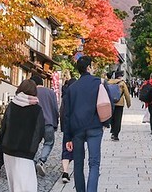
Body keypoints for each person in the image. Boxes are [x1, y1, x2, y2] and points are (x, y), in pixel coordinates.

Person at [62, 56, 105, 192]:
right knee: (94, 163)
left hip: (77, 129)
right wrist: (105, 122)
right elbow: (108, 103)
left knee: (78, 164)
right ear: (88, 68)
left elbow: (66, 114)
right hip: (94, 126)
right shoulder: (98, 83)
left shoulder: (72, 88)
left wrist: (67, 137)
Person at [0, 79, 45, 192]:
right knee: (28, 185)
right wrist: (33, 146)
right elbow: (39, 131)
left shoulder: (12, 106)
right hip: (26, 151)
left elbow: (4, 127)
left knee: (14, 185)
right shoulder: (37, 110)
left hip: (8, 149)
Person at [30, 73, 59, 176]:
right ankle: (41, 161)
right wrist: (55, 122)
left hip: (34, 123)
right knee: (49, 142)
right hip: (48, 122)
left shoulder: (32, 93)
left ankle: (32, 162)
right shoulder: (51, 93)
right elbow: (55, 108)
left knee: (33, 143)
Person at [59, 77, 77, 184]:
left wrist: (63, 127)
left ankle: (65, 172)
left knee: (66, 148)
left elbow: (62, 113)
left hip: (67, 126)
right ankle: (77, 171)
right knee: (77, 148)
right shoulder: (78, 96)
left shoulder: (65, 97)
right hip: (77, 126)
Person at [107, 70, 131, 141]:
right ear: (120, 76)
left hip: (110, 103)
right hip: (119, 103)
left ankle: (112, 132)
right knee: (118, 119)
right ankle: (116, 135)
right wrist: (128, 103)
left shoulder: (108, 82)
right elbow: (126, 94)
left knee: (112, 118)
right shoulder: (122, 83)